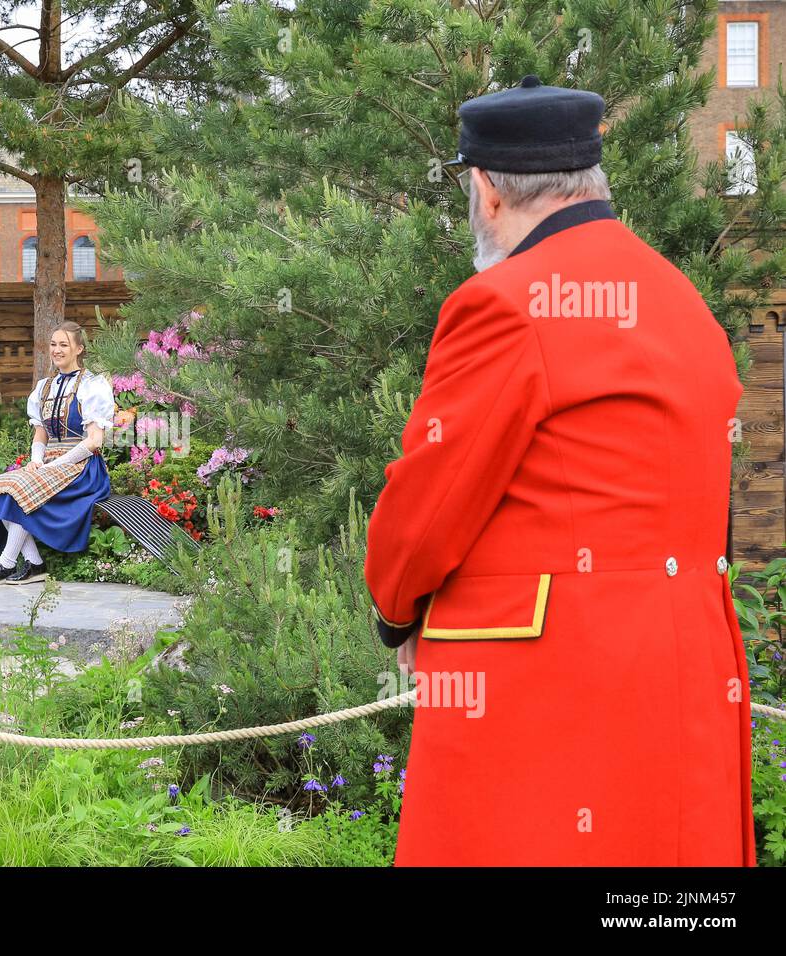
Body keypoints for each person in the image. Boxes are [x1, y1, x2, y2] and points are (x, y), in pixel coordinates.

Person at [364, 76, 754, 865]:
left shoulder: (503, 302)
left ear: (486, 190)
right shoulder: (682, 300)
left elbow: (429, 502)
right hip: (687, 672)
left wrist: (396, 611)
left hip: (547, 690)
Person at [0, 321, 115, 585]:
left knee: (21, 491)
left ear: (79, 349)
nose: (57, 350)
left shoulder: (92, 386)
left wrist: (58, 464)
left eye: (64, 345)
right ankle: (34, 564)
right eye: (53, 344)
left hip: (83, 468)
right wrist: (37, 460)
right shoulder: (44, 387)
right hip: (51, 462)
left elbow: (95, 440)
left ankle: (6, 563)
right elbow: (41, 433)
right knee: (2, 485)